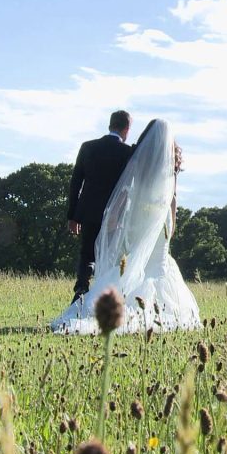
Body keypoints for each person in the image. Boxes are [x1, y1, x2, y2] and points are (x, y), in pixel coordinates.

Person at [52, 119, 202, 334]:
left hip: (141, 216)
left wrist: (116, 213)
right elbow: (173, 198)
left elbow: (126, 190)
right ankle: (156, 309)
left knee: (137, 260)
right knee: (158, 263)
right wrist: (172, 222)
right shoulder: (172, 163)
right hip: (161, 218)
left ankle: (126, 302)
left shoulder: (138, 159)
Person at [67, 110, 134, 304]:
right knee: (111, 256)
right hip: (116, 215)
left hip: (88, 212)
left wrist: (73, 216)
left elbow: (76, 182)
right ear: (126, 128)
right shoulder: (128, 152)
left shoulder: (88, 147)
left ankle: (81, 289)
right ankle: (106, 294)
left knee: (87, 253)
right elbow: (128, 188)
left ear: (110, 125)